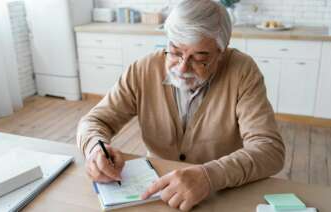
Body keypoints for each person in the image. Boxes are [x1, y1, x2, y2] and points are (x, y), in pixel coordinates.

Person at [76, 0, 285, 211]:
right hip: (157, 192)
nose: (183, 66)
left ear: (221, 53)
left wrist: (209, 176)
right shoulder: (143, 69)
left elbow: (269, 150)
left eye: (199, 58)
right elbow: (95, 121)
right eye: (175, 51)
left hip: (219, 192)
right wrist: (95, 148)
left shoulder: (242, 72)